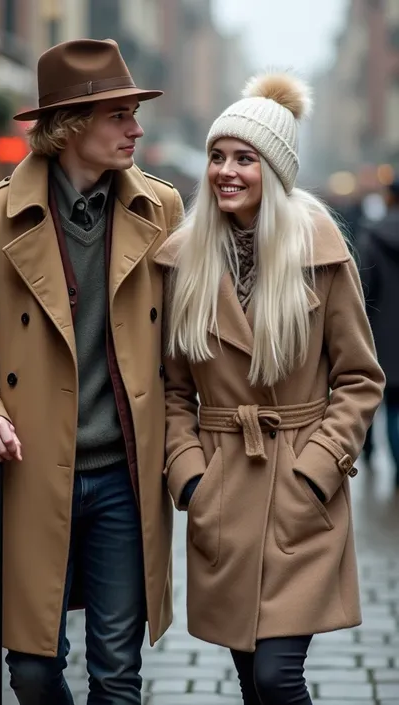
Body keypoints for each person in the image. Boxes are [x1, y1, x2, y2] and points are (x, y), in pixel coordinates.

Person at [0, 38, 183, 705]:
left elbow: (188, 343)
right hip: (33, 469)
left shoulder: (161, 211)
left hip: (128, 476)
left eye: (133, 113)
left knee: (117, 676)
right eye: (118, 115)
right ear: (70, 125)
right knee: (34, 672)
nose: (136, 128)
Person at [153, 73, 384, 705]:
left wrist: (317, 472)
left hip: (301, 490)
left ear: (274, 171)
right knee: (250, 680)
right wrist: (190, 477)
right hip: (223, 489)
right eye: (218, 157)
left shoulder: (322, 252)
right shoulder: (184, 261)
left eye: (245, 159)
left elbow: (360, 377)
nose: (227, 171)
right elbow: (173, 389)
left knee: (278, 677)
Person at [357, 179, 399, 486]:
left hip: (379, 336)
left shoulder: (373, 237)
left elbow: (363, 289)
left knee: (372, 397)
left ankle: (369, 449)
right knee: (398, 410)